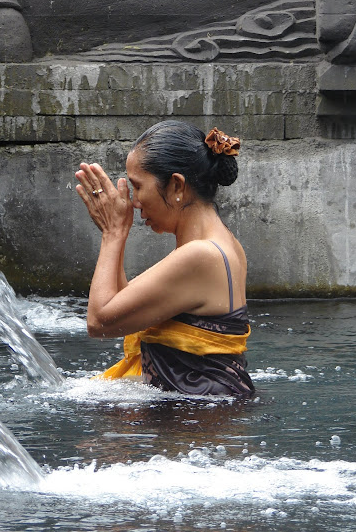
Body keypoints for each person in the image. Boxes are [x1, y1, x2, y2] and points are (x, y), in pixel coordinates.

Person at [74, 120, 255, 396]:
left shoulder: (201, 255)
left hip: (198, 430)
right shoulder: (222, 245)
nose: (134, 201)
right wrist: (116, 235)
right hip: (207, 422)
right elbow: (127, 312)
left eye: (138, 186)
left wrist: (113, 234)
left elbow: (100, 322)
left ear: (176, 186)